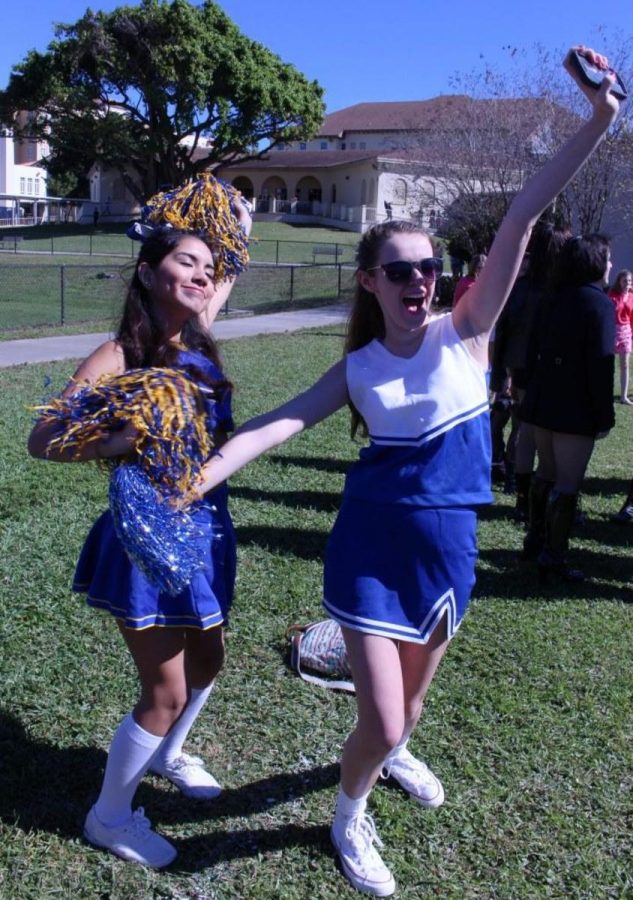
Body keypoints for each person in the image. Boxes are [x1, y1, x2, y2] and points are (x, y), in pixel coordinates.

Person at [193, 48, 620, 896]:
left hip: (448, 555)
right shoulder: (357, 369)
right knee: (382, 712)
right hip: (371, 550)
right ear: (370, 282)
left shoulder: (464, 335)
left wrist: (599, 119)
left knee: (407, 713)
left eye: (428, 268)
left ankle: (387, 753)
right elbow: (279, 422)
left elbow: (520, 218)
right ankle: (347, 817)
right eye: (401, 271)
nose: (419, 281)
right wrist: (197, 476)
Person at [28, 197, 252, 868]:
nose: (202, 275)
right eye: (186, 262)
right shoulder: (119, 353)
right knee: (166, 689)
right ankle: (111, 816)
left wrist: (233, 232)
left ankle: (169, 753)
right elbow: (43, 438)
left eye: (207, 269)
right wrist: (114, 441)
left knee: (208, 661)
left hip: (208, 525)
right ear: (149, 273)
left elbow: (228, 269)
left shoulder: (197, 335)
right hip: (146, 538)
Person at [520, 233, 616, 583]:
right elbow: (600, 366)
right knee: (566, 484)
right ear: (592, 261)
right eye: (606, 258)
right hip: (574, 410)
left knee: (545, 474)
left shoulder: (552, 298)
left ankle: (535, 540)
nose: (610, 265)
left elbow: (531, 351)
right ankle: (553, 555)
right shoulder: (598, 304)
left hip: (543, 402)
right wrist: (604, 415)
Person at [607, 269, 633, 404]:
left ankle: (624, 397)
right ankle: (604, 393)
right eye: (625, 281)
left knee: (625, 364)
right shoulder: (612, 295)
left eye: (629, 281)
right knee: (607, 364)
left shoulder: (632, 296)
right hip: (612, 331)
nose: (627, 283)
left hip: (626, 332)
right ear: (619, 282)